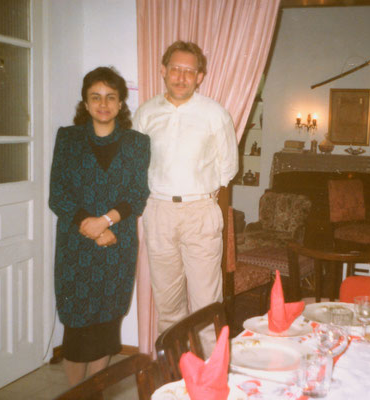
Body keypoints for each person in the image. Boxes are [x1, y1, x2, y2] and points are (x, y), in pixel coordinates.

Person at [133, 41, 238, 351]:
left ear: (200, 76)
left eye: (189, 71)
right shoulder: (146, 113)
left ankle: (210, 383)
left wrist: (200, 191)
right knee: (168, 306)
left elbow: (228, 167)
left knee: (206, 304)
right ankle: (175, 380)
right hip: (160, 212)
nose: (181, 77)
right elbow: (137, 164)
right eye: (175, 69)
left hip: (200, 211)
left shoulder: (214, 113)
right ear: (163, 71)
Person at [49, 66, 149, 386]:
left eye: (110, 97)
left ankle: (94, 392)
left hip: (116, 243)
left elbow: (137, 194)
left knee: (106, 324)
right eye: (96, 97)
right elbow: (57, 194)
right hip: (75, 245)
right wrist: (88, 225)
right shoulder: (68, 137)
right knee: (77, 328)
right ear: (86, 102)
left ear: (121, 104)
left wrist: (105, 222)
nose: (103, 104)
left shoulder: (137, 143)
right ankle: (76, 392)